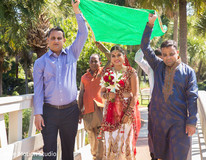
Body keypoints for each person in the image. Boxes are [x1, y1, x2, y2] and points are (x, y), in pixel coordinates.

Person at [33, 0, 88, 159]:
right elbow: (38, 89)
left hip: (71, 111)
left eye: (59, 38)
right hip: (49, 112)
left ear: (64, 40)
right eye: (53, 38)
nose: (56, 40)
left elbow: (83, 34)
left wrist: (76, 11)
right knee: (49, 153)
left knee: (68, 152)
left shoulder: (72, 54)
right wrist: (38, 113)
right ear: (48, 41)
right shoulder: (40, 62)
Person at [140, 13, 198, 160]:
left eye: (171, 54)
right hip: (158, 121)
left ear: (177, 53)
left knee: (178, 155)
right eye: (164, 54)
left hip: (178, 122)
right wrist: (150, 25)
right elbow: (145, 47)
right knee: (161, 156)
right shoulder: (157, 66)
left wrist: (192, 121)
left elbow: (192, 97)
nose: (167, 57)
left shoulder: (188, 72)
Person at [99, 45, 141, 159]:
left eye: (119, 55)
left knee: (125, 142)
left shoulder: (131, 72)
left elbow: (135, 94)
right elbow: (101, 93)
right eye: (113, 56)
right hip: (110, 113)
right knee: (110, 141)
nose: (116, 58)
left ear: (124, 56)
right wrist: (107, 95)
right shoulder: (107, 73)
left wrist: (128, 113)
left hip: (125, 112)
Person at [134, 48, 161, 160]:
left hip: (169, 106)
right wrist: (144, 45)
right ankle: (154, 155)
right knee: (153, 132)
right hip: (154, 106)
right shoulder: (151, 69)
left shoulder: (172, 69)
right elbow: (138, 59)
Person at [78, 54, 104, 160]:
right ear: (89, 63)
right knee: (92, 136)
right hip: (88, 110)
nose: (94, 63)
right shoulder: (84, 77)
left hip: (100, 110)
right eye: (92, 61)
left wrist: (101, 46)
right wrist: (79, 110)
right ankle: (94, 156)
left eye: (96, 61)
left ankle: (99, 157)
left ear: (100, 63)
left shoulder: (103, 73)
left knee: (100, 136)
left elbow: (110, 58)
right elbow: (81, 94)